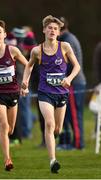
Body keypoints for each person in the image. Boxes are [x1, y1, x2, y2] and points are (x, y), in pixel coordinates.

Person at [20, 15, 80, 173]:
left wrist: (69, 78)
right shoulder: (36, 50)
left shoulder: (65, 46)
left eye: (55, 28)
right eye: (50, 28)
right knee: (49, 123)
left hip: (62, 93)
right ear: (44, 30)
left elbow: (77, 67)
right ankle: (53, 160)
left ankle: (53, 138)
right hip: (45, 92)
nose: (52, 30)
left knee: (57, 129)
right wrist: (25, 83)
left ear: (59, 32)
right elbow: (28, 66)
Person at [0, 20, 28, 171]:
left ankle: (8, 138)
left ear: (4, 35)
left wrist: (25, 83)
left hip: (13, 92)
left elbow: (28, 64)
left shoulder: (13, 51)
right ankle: (7, 159)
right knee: (3, 125)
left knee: (10, 129)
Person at [57, 17, 87, 150]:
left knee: (75, 115)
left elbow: (70, 65)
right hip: (74, 83)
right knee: (71, 114)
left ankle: (78, 144)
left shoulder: (68, 40)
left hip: (74, 83)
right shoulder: (69, 38)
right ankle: (73, 142)